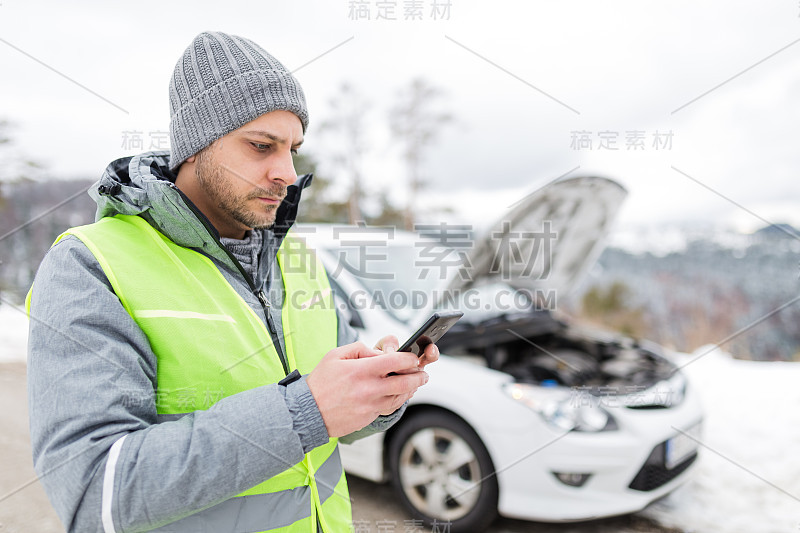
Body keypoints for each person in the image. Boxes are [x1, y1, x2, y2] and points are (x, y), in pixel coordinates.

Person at [26, 31, 438, 533]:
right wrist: (306, 409)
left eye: (293, 149)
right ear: (196, 147)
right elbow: (94, 493)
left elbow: (329, 423)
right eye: (262, 146)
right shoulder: (90, 265)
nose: (287, 172)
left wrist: (377, 396)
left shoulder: (299, 261)